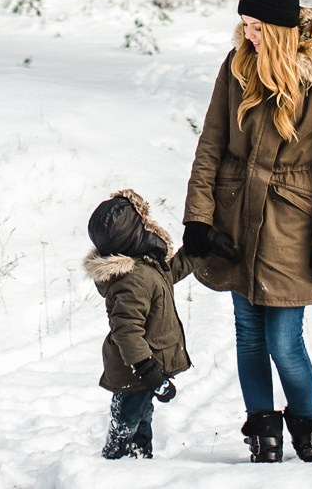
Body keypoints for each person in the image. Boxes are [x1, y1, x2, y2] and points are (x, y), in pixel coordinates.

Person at [183, 0, 312, 463]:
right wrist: (198, 217)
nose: (248, 33)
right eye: (245, 24)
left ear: (281, 30)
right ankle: (262, 429)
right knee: (247, 333)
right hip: (236, 215)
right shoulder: (237, 64)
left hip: (292, 221)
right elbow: (210, 145)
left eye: (258, 27)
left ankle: (305, 422)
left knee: (285, 342)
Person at [84, 189, 201, 459]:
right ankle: (114, 460)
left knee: (142, 417)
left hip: (141, 369)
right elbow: (127, 331)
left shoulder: (143, 267)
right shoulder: (133, 279)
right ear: (135, 233)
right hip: (135, 370)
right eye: (144, 222)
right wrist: (148, 370)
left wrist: (198, 252)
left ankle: (138, 459)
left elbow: (167, 274)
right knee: (128, 419)